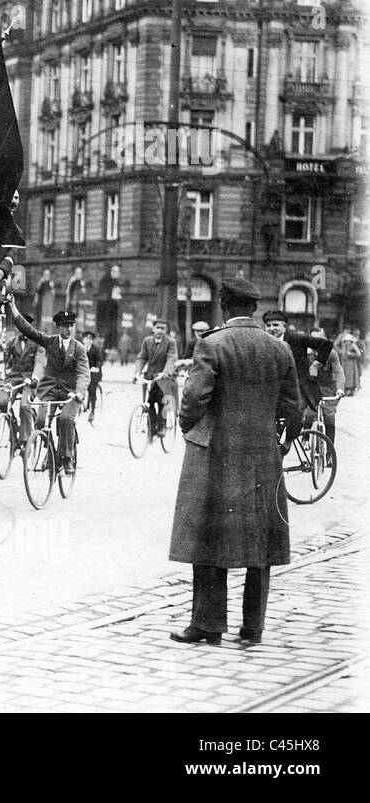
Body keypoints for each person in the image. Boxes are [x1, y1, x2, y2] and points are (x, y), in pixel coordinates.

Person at [168, 277, 303, 646]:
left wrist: (190, 430)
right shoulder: (279, 350)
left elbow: (193, 399)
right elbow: (293, 411)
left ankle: (208, 625)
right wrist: (281, 443)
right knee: (261, 542)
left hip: (218, 455)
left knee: (210, 538)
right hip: (264, 456)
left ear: (224, 306)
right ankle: (253, 627)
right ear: (254, 308)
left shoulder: (211, 344)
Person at [6, 301, 88, 473]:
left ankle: (66, 458)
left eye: (71, 326)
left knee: (66, 419)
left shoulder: (79, 348)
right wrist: (13, 308)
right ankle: (50, 453)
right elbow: (29, 331)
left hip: (71, 393)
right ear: (58, 327)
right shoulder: (50, 342)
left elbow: (83, 373)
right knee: (41, 421)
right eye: (65, 326)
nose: (69, 329)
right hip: (49, 390)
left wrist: (79, 392)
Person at [261, 310, 332, 425]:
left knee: (294, 412)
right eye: (268, 325)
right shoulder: (263, 341)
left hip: (298, 388)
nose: (271, 328)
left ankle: (288, 441)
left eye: (275, 325)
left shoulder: (297, 339)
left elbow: (327, 344)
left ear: (284, 326)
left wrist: (316, 364)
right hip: (275, 388)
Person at [133, 319, 178, 435]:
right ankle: (152, 426)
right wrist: (137, 372)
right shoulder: (147, 341)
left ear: (166, 330)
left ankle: (162, 425)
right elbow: (142, 357)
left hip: (164, 377)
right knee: (150, 402)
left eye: (162, 328)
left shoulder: (170, 342)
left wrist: (166, 372)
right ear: (153, 329)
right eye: (157, 328)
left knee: (163, 400)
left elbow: (171, 358)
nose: (159, 330)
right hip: (151, 376)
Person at [309, 327, 344, 442]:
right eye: (314, 339)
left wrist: (340, 389)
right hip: (310, 388)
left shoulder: (331, 354)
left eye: (320, 339)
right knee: (307, 415)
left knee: (329, 417)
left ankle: (330, 451)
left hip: (328, 388)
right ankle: (305, 437)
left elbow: (339, 372)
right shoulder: (305, 353)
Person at [81, 330, 103, 425]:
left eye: (90, 339)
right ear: (83, 340)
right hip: (82, 372)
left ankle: (92, 412)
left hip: (93, 373)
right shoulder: (80, 348)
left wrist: (97, 367)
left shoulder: (96, 349)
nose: (88, 341)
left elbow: (99, 360)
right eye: (86, 339)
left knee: (92, 391)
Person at [335, 327, 361, 395]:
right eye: (346, 341)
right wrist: (340, 352)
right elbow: (336, 346)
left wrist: (351, 354)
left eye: (348, 341)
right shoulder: (341, 338)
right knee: (344, 375)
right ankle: (345, 389)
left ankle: (351, 389)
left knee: (351, 376)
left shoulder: (355, 344)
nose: (347, 342)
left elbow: (359, 352)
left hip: (351, 363)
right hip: (344, 362)